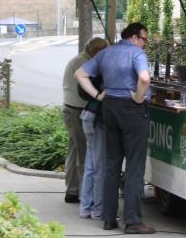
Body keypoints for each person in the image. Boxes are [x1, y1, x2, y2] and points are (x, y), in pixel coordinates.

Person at [75, 22, 155, 234]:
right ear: (135, 37)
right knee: (134, 166)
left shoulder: (106, 53)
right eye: (145, 39)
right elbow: (144, 79)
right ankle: (133, 221)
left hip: (109, 107)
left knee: (112, 164)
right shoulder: (137, 54)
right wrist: (138, 97)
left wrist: (98, 95)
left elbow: (80, 74)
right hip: (132, 111)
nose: (145, 44)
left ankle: (109, 218)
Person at [62, 37, 109, 203]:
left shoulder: (78, 60)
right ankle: (84, 194)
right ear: (96, 51)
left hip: (70, 108)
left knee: (74, 149)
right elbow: (89, 88)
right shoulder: (84, 63)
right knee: (84, 152)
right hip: (77, 109)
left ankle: (72, 190)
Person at [78, 44, 108, 220]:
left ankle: (85, 207)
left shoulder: (94, 67)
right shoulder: (105, 69)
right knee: (99, 167)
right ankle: (98, 209)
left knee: (91, 165)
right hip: (98, 119)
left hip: (87, 115)